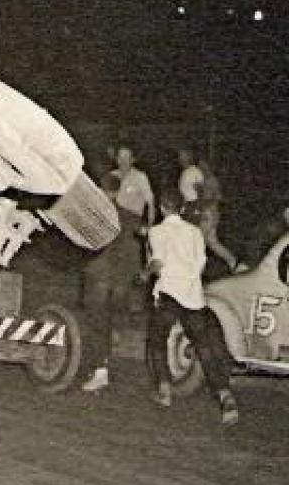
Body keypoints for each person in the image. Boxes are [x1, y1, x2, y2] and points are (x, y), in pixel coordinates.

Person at [144, 190, 239, 425]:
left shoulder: (157, 231)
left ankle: (165, 390)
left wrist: (144, 273)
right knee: (204, 347)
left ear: (162, 208)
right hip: (193, 296)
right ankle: (224, 395)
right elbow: (200, 264)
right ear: (182, 208)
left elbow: (157, 263)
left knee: (157, 340)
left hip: (169, 294)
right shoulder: (195, 232)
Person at [80, 173, 146, 392]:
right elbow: (141, 242)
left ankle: (100, 370)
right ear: (117, 192)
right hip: (120, 281)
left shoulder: (94, 216)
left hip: (99, 276)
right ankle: (101, 365)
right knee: (107, 321)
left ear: (100, 190)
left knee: (96, 322)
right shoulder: (130, 216)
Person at [177, 149, 240, 274]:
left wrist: (200, 210)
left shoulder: (199, 176)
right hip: (210, 213)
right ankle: (234, 263)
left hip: (207, 213)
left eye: (203, 164)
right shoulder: (206, 178)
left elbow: (205, 194)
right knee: (212, 242)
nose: (201, 166)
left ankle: (193, 272)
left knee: (195, 242)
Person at [110, 144, 155, 229]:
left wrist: (150, 228)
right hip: (113, 223)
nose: (123, 161)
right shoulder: (112, 175)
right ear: (116, 159)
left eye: (127, 158)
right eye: (120, 157)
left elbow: (151, 204)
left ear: (133, 160)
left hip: (133, 223)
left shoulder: (140, 177)